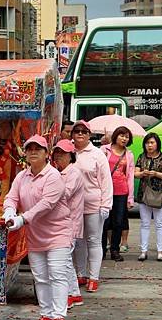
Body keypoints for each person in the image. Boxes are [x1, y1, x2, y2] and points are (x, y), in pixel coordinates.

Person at [3, 134, 73, 320]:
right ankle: (47, 313)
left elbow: (46, 204)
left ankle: (59, 316)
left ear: (46, 153)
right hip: (35, 235)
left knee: (57, 275)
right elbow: (11, 196)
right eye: (29, 149)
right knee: (40, 276)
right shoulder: (22, 176)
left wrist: (22, 219)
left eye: (38, 149)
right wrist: (9, 210)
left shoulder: (53, 176)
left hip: (57, 233)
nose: (33, 152)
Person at [72, 120, 113, 292]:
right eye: (77, 131)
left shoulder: (97, 154)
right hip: (73, 206)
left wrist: (106, 205)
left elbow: (106, 181)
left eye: (84, 131)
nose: (80, 134)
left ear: (89, 135)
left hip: (93, 204)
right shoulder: (68, 152)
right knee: (78, 241)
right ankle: (81, 274)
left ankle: (94, 277)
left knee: (94, 241)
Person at [51, 139, 85, 309]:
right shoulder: (59, 172)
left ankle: (69, 294)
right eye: (57, 153)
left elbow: (65, 194)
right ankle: (74, 294)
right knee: (66, 262)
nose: (58, 157)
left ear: (71, 156)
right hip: (61, 223)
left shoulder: (74, 173)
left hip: (69, 223)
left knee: (63, 262)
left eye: (62, 154)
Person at [135, 133, 162, 261]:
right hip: (143, 194)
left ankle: (160, 251)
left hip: (158, 194)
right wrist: (142, 173)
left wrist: (156, 174)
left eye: (152, 143)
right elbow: (135, 173)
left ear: (157, 144)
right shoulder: (141, 157)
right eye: (147, 143)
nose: (149, 145)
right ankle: (143, 251)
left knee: (159, 223)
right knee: (144, 223)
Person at [101, 127, 135, 262]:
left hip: (121, 191)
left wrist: (130, 198)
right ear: (115, 136)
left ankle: (115, 250)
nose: (124, 139)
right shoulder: (104, 150)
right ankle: (101, 250)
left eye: (127, 137)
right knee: (104, 221)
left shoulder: (129, 154)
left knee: (118, 222)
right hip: (105, 191)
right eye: (122, 135)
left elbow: (130, 176)